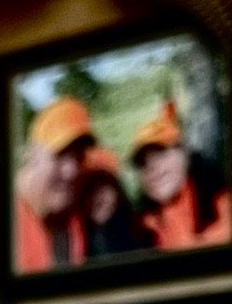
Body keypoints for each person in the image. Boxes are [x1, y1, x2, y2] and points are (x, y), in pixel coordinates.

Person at [130, 98, 232, 251]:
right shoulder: (141, 231)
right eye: (143, 163)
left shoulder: (225, 203)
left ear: (185, 154)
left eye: (159, 154)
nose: (152, 168)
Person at [13, 95, 96, 271]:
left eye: (79, 157)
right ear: (32, 156)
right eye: (60, 155)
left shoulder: (78, 217)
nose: (71, 171)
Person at [77, 148, 145, 258]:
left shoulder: (142, 231)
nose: (98, 199)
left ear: (118, 193)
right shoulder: (70, 237)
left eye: (105, 189)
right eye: (91, 190)